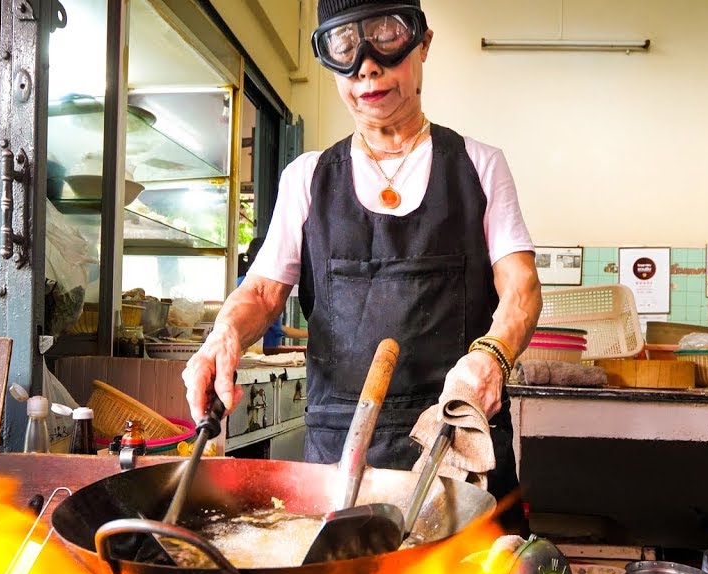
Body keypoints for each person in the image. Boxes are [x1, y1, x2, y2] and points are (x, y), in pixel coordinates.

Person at [182, 0, 542, 531]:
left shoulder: (478, 165)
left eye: (386, 38)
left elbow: (521, 290)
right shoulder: (307, 177)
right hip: (339, 455)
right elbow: (261, 293)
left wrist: (493, 357)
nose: (367, 67)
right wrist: (223, 334)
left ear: (423, 43)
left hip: (457, 443)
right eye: (345, 48)